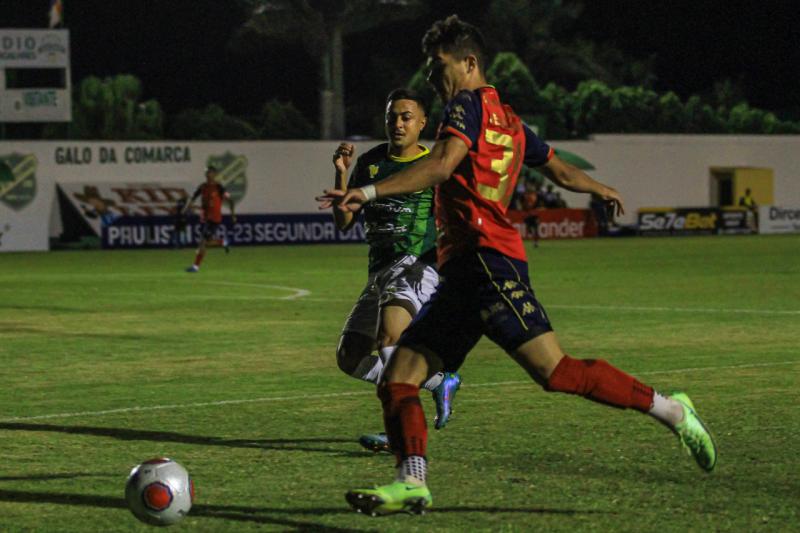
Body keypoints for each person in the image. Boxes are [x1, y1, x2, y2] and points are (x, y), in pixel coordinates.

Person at [319, 15, 717, 517]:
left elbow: (442, 164)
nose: (432, 78)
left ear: (469, 63)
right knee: (400, 376)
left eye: (438, 66)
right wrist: (598, 187)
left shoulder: (465, 106)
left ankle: (674, 410)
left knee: (556, 372)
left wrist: (369, 189)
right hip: (462, 272)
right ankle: (411, 481)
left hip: (488, 263)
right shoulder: (507, 120)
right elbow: (556, 167)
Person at [320, 88, 463, 453]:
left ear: (422, 122)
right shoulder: (370, 162)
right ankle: (435, 382)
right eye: (392, 117)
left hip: (417, 265)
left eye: (405, 117)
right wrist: (342, 175)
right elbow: (344, 220)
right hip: (379, 271)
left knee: (389, 339)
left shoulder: (433, 166)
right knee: (350, 357)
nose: (397, 124)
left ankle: (400, 429)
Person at [184, 165, 236, 273]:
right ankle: (223, 242)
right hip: (205, 218)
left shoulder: (219, 187)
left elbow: (230, 200)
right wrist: (188, 207)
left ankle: (195, 267)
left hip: (214, 219)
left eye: (210, 172)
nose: (208, 174)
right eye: (207, 172)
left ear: (215, 174)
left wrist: (233, 214)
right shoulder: (202, 187)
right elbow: (193, 197)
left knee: (203, 242)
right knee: (204, 242)